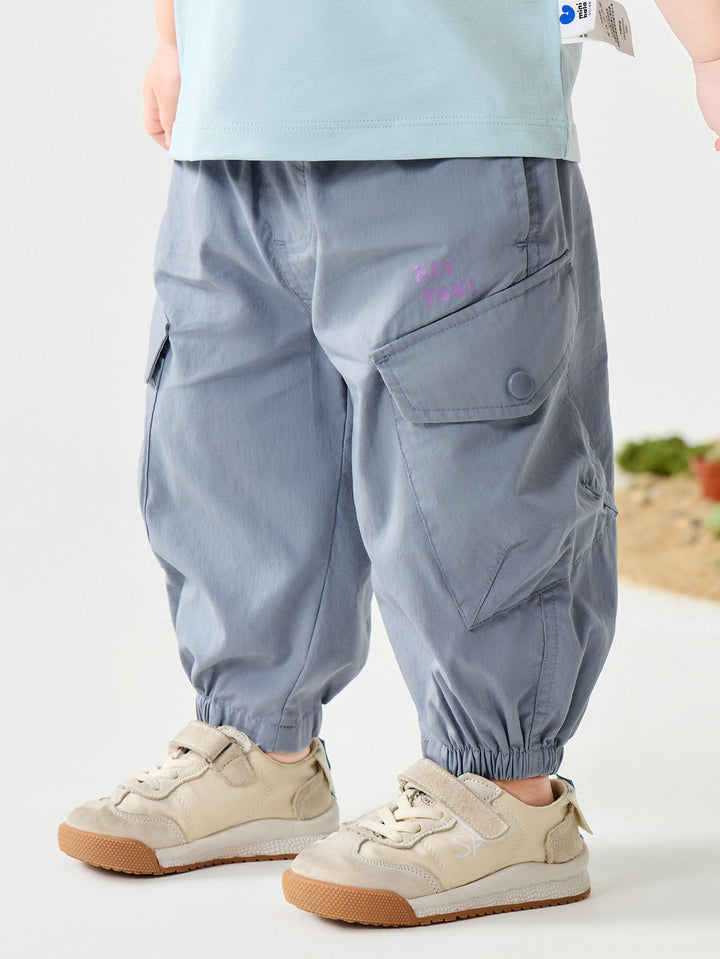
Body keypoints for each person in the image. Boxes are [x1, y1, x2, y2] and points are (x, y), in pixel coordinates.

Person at [58, 0, 719, 927]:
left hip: (446, 115)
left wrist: (709, 40)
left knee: (468, 464)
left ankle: (505, 789)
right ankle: (258, 742)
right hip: (234, 121)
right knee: (226, 441)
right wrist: (173, 36)